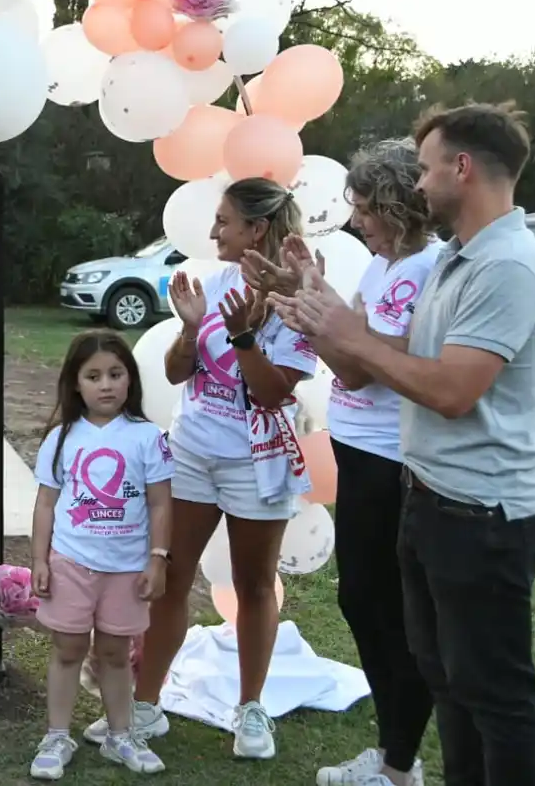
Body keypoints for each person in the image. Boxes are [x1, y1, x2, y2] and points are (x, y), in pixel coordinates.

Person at [278, 103, 535, 786]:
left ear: (463, 169)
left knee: (495, 697)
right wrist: (331, 319)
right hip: (433, 503)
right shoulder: (464, 260)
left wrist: (347, 334)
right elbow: (408, 352)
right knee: (450, 683)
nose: (420, 184)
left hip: (484, 518)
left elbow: (450, 390)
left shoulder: (508, 268)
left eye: (428, 168)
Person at [247, 140, 440, 786]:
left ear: (394, 204)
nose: (357, 222)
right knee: (362, 601)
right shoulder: (385, 267)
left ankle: (397, 765)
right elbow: (350, 349)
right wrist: (309, 298)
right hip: (359, 453)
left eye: (364, 209)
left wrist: (309, 311)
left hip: (393, 461)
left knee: (383, 606)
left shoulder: (431, 269)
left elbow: (357, 365)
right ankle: (394, 756)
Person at [133, 177, 316, 761]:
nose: (213, 231)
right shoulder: (211, 282)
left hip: (255, 463)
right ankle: (144, 703)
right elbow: (175, 373)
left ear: (256, 229)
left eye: (223, 221)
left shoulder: (297, 298)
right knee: (170, 579)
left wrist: (243, 336)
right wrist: (189, 331)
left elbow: (270, 395)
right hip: (190, 453)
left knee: (255, 584)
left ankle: (251, 709)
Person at [28, 331, 173, 780]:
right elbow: (46, 503)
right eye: (93, 376)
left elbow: (160, 503)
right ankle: (56, 735)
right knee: (68, 648)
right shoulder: (61, 438)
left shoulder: (149, 437)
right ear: (76, 384)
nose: (106, 385)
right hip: (70, 563)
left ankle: (120, 735)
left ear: (131, 379)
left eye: (115, 374)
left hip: (127, 569)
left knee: (115, 652)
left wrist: (158, 558)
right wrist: (39, 559)